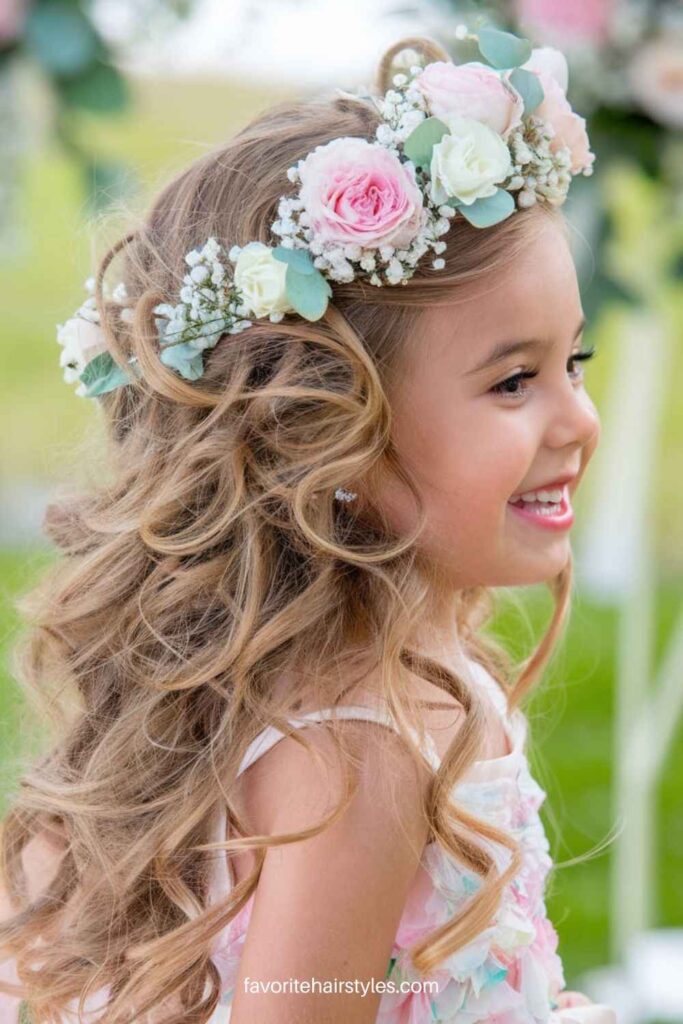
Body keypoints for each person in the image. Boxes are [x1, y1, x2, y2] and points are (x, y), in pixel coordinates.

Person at [0, 26, 617, 1024]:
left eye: (570, 364)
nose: (576, 420)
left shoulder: (344, 670)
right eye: (513, 380)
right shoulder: (361, 758)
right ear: (326, 434)